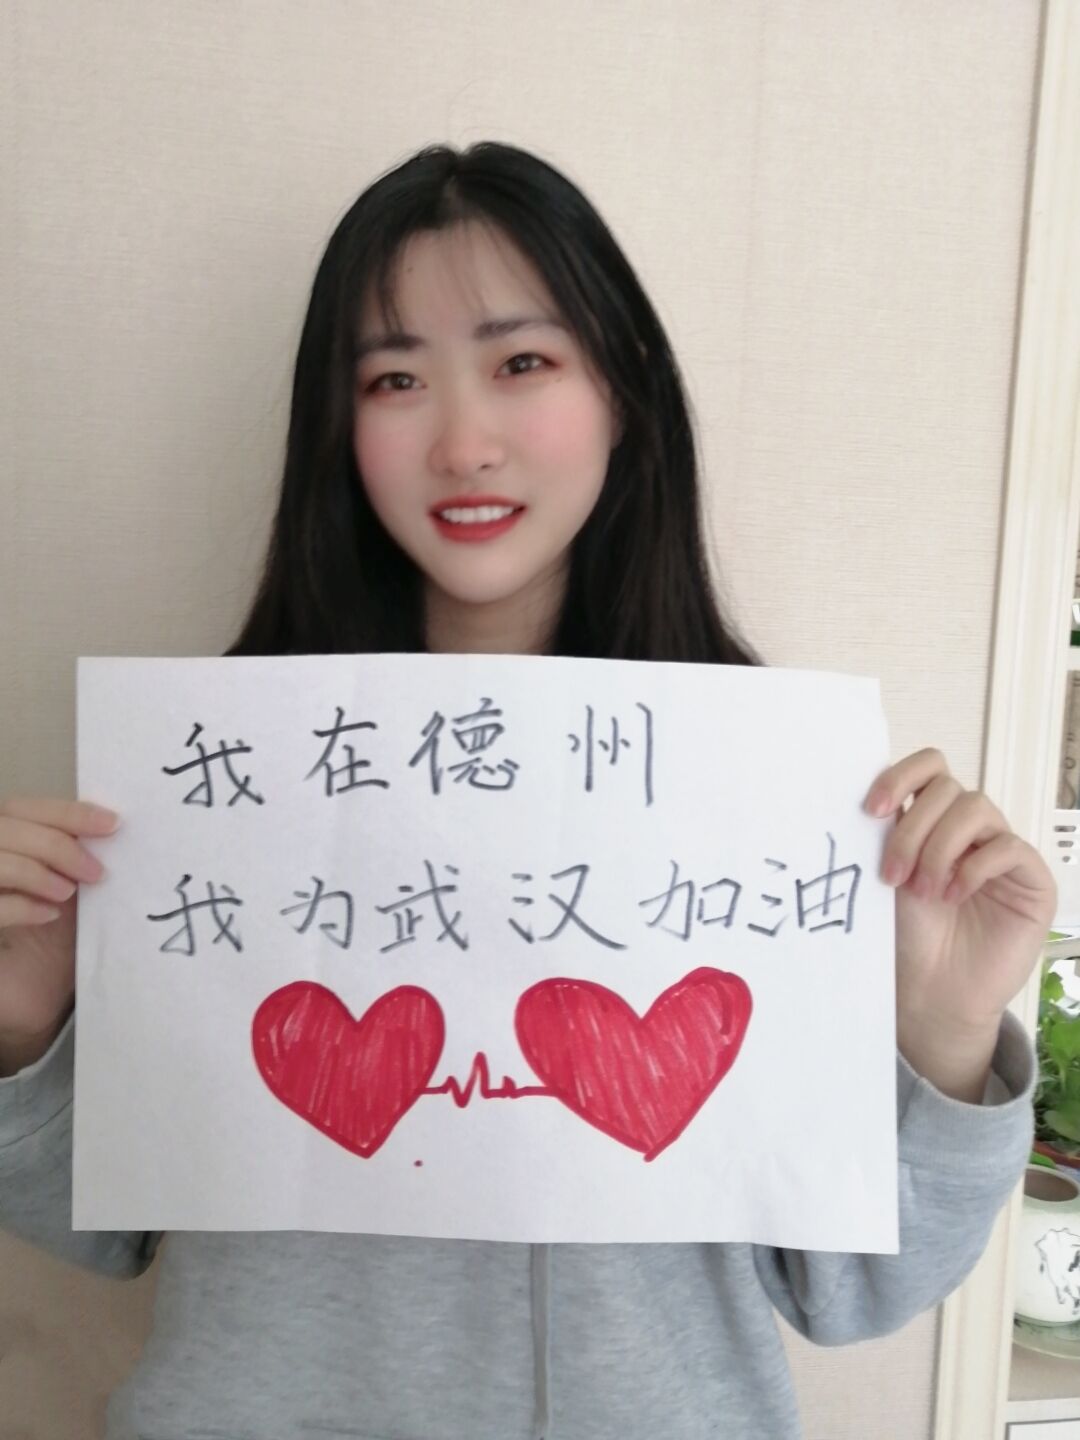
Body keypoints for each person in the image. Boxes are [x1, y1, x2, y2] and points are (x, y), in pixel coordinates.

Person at [0, 141, 1056, 1440]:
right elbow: (108, 1234)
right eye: (394, 378)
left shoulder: (776, 793)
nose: (462, 442)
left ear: (624, 391)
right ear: (339, 426)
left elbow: (852, 1293)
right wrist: (24, 1029)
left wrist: (944, 1031)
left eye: (521, 363)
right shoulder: (217, 783)